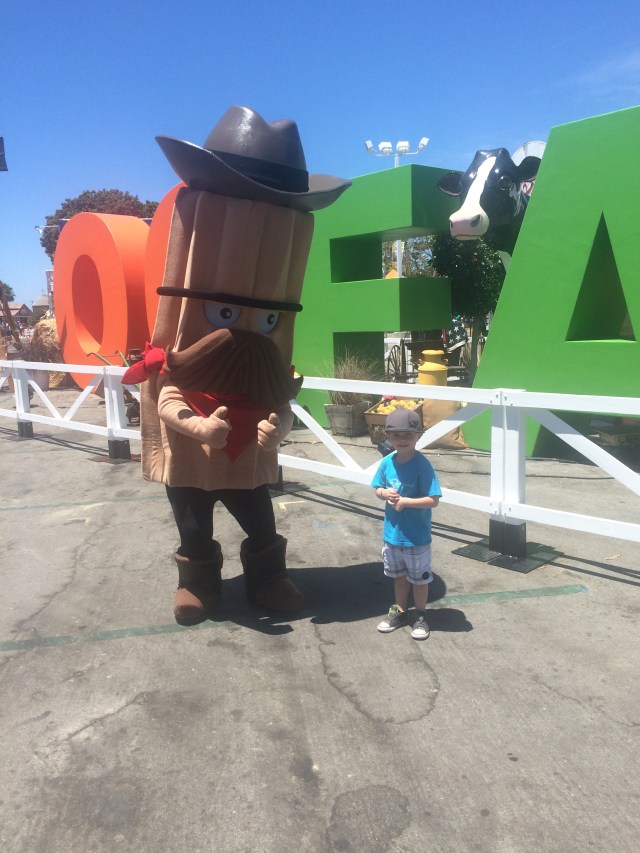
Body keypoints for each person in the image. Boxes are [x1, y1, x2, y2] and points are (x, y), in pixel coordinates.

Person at [371, 406, 442, 640]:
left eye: (408, 435)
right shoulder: (387, 463)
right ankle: (400, 612)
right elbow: (377, 488)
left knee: (419, 580)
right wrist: (384, 494)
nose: (402, 440)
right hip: (392, 534)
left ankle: (420, 615)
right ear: (388, 436)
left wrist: (405, 502)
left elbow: (433, 500)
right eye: (396, 435)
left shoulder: (422, 465)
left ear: (418, 436)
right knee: (399, 577)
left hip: (416, 537)